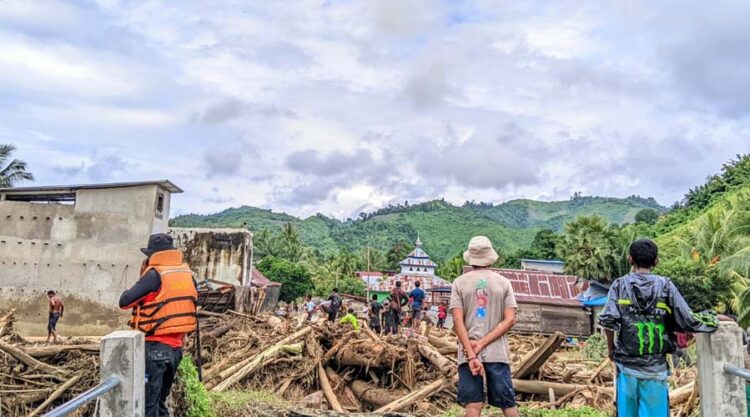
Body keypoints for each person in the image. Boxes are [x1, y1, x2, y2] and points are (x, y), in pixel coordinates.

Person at [599, 239, 718, 417]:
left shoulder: (619, 285)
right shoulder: (666, 286)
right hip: (655, 372)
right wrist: (714, 318)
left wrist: (611, 350)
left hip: (626, 371)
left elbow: (608, 322)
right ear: (656, 261)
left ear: (629, 259)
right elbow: (688, 319)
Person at [119, 233, 198, 417]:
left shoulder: (154, 275)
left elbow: (125, 301)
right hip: (176, 350)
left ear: (152, 255)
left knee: (148, 406)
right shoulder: (188, 275)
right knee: (160, 403)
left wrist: (143, 275)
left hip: (155, 348)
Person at [451, 236, 519, 417]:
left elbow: (458, 322)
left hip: (468, 352)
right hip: (497, 352)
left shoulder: (459, 283)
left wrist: (473, 351)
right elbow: (510, 319)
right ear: (490, 257)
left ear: (471, 258)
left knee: (473, 405)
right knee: (508, 404)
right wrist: (482, 343)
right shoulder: (503, 283)